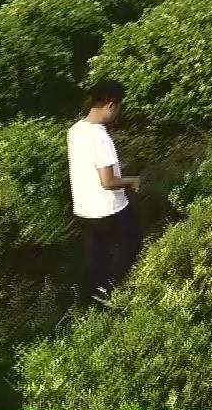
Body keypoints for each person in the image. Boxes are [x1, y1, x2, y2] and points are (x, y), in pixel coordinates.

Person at [68, 80, 142, 307]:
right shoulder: (100, 137)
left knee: (96, 260)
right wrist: (133, 180)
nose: (118, 113)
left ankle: (94, 301)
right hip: (108, 209)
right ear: (110, 104)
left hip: (84, 209)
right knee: (132, 245)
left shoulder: (75, 130)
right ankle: (114, 293)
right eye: (119, 107)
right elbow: (108, 181)